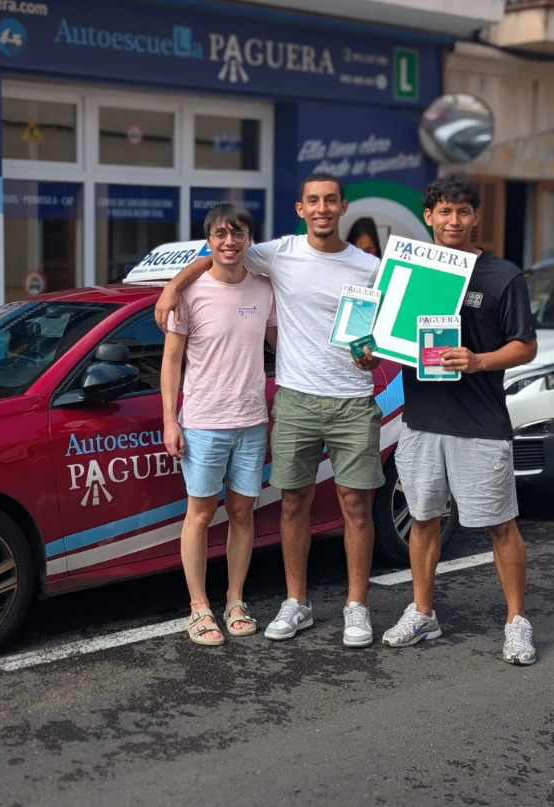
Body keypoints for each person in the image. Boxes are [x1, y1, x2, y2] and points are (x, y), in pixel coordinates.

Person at [156, 175, 384, 648]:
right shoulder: (279, 254)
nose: (322, 208)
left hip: (336, 401)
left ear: (343, 207)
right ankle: (284, 603)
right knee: (287, 505)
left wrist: (373, 354)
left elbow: (380, 333)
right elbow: (215, 254)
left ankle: (353, 608)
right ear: (300, 209)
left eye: (330, 201)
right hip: (284, 403)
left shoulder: (367, 266)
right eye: (313, 201)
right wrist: (172, 286)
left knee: (354, 507)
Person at [382, 175, 538, 665]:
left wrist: (478, 360)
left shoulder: (502, 275)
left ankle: (516, 623)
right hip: (422, 421)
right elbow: (386, 336)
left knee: (500, 525)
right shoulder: (407, 270)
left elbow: (525, 345)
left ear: (475, 218)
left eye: (463, 212)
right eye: (444, 211)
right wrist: (369, 353)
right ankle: (423, 613)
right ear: (429, 216)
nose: (453, 221)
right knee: (423, 521)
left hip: (480, 423)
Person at [160, 203, 277, 646]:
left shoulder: (264, 289)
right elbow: (171, 362)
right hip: (204, 424)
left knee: (243, 512)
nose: (230, 241)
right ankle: (198, 608)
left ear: (249, 239)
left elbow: (284, 344)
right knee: (201, 514)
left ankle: (234, 600)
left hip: (251, 420)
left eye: (238, 233)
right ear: (208, 242)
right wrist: (170, 420)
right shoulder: (189, 294)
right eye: (221, 234)